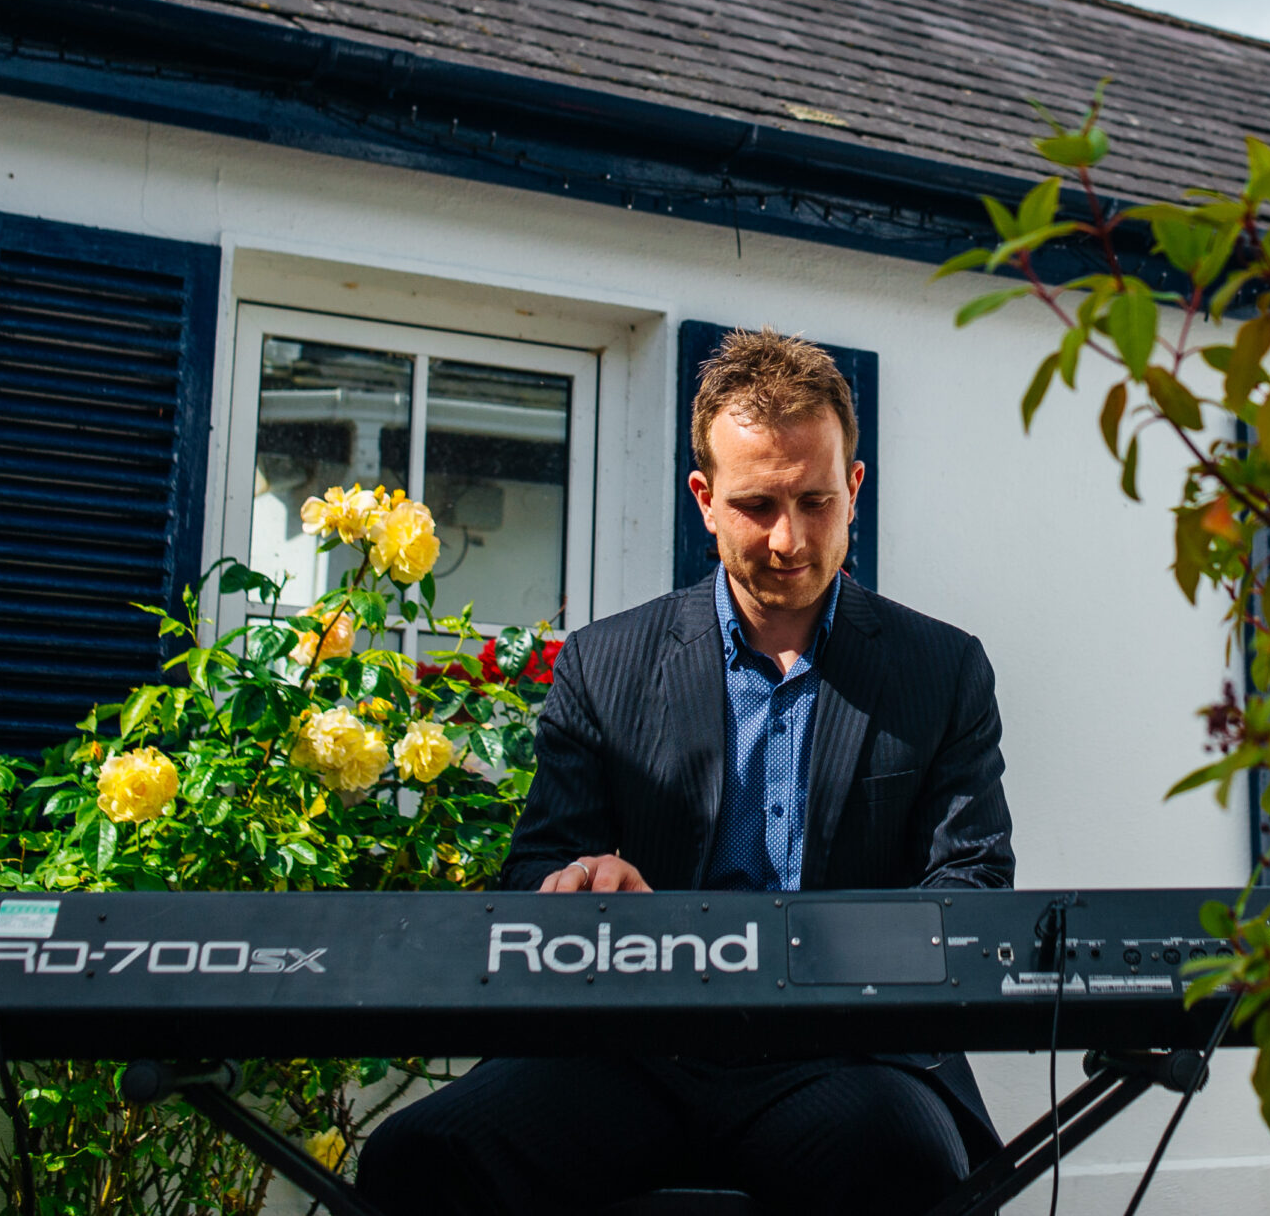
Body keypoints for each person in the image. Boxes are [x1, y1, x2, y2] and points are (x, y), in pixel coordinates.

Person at [359, 329, 1014, 1216]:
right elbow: (532, 875)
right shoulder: (604, 663)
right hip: (633, 1053)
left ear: (854, 488)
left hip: (848, 1059)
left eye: (816, 501)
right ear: (704, 499)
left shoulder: (943, 669)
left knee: (906, 1166)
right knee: (422, 1158)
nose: (789, 538)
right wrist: (579, 880)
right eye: (756, 505)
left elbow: (971, 887)